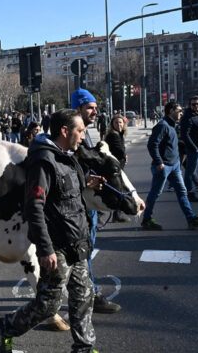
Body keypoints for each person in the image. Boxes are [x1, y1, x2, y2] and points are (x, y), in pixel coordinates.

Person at [0, 109, 101, 353]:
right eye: (80, 130)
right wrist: (45, 248)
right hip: (57, 246)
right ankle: (5, 327)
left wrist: (87, 182)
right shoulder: (43, 161)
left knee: (84, 296)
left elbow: (64, 189)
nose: (84, 135)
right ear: (65, 131)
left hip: (77, 242)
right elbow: (34, 206)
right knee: (48, 305)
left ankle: (84, 347)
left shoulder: (67, 155)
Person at [69, 88, 121, 314]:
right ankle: (91, 294)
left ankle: (84, 293)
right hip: (79, 204)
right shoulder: (72, 135)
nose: (95, 111)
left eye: (95, 107)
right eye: (90, 107)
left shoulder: (87, 133)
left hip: (89, 203)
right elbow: (69, 168)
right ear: (78, 108)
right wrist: (86, 180)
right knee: (83, 252)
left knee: (83, 251)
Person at [141, 102, 198, 231]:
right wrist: (159, 162)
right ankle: (147, 219)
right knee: (155, 193)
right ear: (170, 111)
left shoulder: (173, 125)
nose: (181, 113)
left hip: (175, 166)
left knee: (182, 192)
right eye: (179, 111)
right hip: (163, 167)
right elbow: (152, 145)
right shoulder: (162, 126)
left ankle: (191, 219)